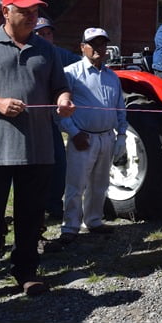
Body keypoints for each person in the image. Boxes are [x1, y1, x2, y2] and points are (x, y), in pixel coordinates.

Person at [0, 0, 75, 311]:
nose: (32, 16)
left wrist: (64, 101)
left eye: (35, 11)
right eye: (24, 11)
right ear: (5, 12)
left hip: (37, 149)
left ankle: (26, 272)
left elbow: (60, 87)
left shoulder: (46, 49)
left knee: (30, 216)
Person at [58, 28, 128, 245]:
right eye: (93, 44)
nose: (99, 48)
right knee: (76, 185)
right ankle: (70, 226)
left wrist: (122, 135)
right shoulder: (70, 73)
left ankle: (94, 220)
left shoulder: (111, 76)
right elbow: (60, 109)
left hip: (106, 137)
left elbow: (120, 107)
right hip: (83, 137)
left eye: (102, 44)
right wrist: (74, 132)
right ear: (82, 47)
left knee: (100, 183)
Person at [34, 17, 81, 222]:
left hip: (51, 119)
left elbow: (80, 63)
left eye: (48, 33)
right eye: (40, 34)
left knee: (59, 162)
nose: (45, 37)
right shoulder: (28, 52)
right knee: (34, 168)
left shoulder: (57, 53)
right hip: (29, 119)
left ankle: (53, 206)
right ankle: (36, 208)